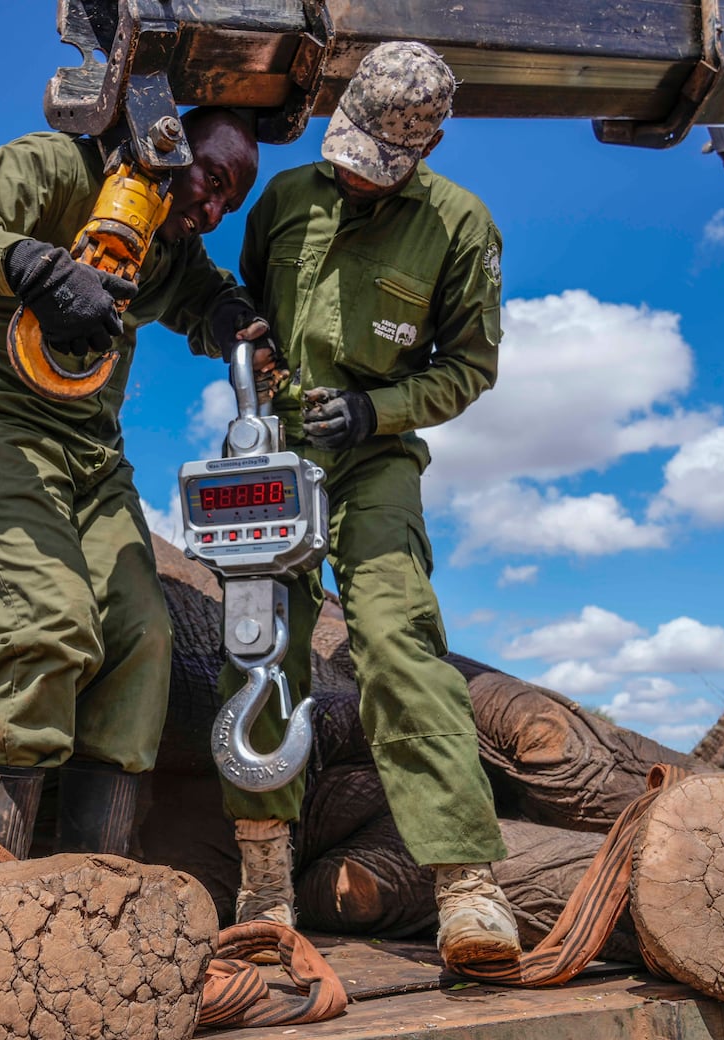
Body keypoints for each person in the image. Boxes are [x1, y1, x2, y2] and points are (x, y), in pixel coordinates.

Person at [0, 108, 271, 862]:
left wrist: (229, 316)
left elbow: (198, 294)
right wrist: (30, 265)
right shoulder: (60, 170)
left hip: (90, 454)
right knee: (53, 623)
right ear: (169, 143)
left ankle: (95, 881)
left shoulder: (171, 242)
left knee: (144, 638)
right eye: (212, 182)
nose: (214, 211)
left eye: (232, 204)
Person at [218, 41, 519, 968]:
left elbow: (471, 366)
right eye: (347, 155)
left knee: (396, 637)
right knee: (257, 640)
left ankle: (467, 883)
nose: (356, 178)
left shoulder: (461, 227)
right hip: (276, 450)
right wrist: (252, 350)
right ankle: (264, 878)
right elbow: (246, 302)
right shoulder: (284, 201)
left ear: (422, 150)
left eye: (380, 168)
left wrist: (379, 407)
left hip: (376, 457)